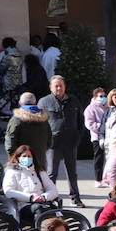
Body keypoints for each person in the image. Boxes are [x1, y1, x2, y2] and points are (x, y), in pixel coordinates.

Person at [39, 75, 87, 208]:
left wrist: (78, 137)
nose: (58, 88)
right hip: (52, 144)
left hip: (70, 142)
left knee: (72, 172)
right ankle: (50, 199)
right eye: (56, 86)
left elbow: (80, 122)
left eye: (61, 85)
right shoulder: (44, 102)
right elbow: (39, 123)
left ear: (65, 86)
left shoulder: (73, 101)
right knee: (51, 173)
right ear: (50, 87)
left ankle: (75, 198)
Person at [1, 145, 60, 227]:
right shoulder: (12, 171)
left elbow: (53, 190)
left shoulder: (39, 171)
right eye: (24, 156)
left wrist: (44, 197)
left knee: (58, 214)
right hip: (23, 205)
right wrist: (31, 197)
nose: (27, 158)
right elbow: (8, 191)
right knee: (38, 209)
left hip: (44, 203)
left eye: (29, 156)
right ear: (18, 157)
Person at [4, 93, 52, 165]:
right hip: (40, 162)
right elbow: (49, 142)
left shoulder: (17, 119)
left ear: (20, 103)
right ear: (35, 103)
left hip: (21, 161)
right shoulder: (44, 120)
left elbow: (10, 144)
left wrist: (14, 157)